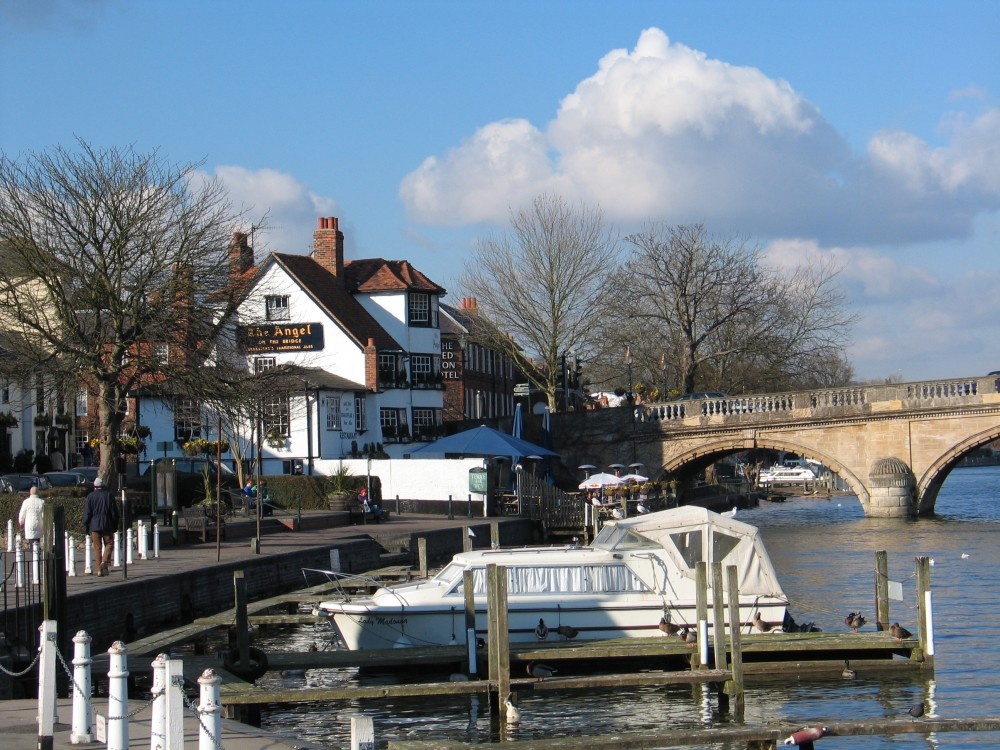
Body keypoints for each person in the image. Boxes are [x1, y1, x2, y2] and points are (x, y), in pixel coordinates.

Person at [83, 477, 119, 577]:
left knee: (97, 548)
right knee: (109, 543)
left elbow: (87, 513)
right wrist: (115, 524)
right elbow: (114, 513)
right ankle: (104, 561)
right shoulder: (109, 496)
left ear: (94, 487)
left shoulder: (90, 496)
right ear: (103, 486)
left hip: (94, 526)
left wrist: (86, 525)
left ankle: (99, 569)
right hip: (107, 524)